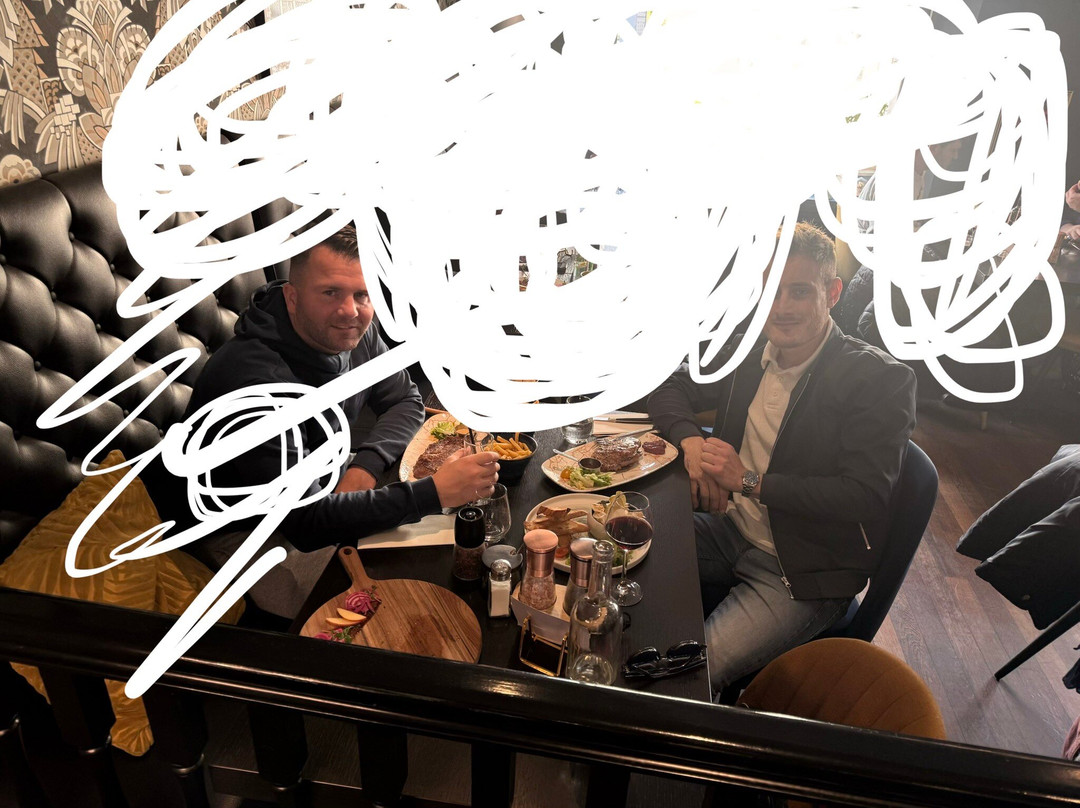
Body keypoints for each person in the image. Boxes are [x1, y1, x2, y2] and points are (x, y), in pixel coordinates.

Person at [647, 221, 917, 695]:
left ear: (832, 293)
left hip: (803, 571)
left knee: (686, 678)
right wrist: (691, 443)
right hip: (729, 529)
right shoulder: (751, 351)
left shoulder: (879, 380)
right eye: (772, 291)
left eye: (800, 291)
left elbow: (864, 496)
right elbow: (670, 385)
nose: (782, 307)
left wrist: (748, 481)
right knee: (618, 544)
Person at [182, 224, 499, 617]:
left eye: (362, 294)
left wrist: (364, 468)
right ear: (292, 297)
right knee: (383, 609)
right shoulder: (255, 386)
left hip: (317, 485)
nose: (350, 310)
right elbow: (307, 525)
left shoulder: (350, 329)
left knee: (444, 551)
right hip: (240, 532)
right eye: (330, 292)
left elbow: (404, 398)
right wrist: (433, 493)